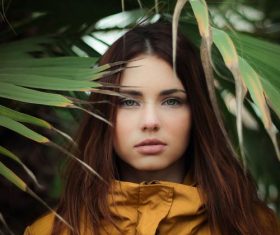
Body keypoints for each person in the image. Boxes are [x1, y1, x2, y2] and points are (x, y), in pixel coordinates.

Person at [24, 22, 279, 235]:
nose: (150, 121)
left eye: (171, 101)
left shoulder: (255, 226)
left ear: (197, 113)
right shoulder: (50, 232)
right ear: (103, 113)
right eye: (128, 102)